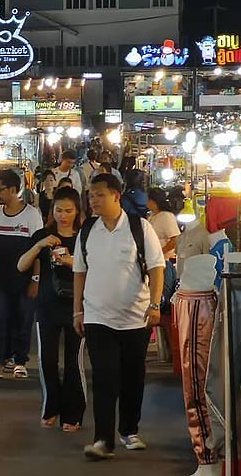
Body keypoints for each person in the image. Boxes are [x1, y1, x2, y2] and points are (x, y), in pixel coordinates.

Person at [73, 174, 166, 460]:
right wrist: (78, 309)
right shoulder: (88, 230)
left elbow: (156, 267)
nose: (93, 200)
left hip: (135, 318)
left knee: (132, 377)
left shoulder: (140, 228)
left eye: (99, 194)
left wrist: (154, 305)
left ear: (116, 195)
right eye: (91, 195)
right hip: (98, 316)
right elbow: (79, 271)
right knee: (104, 377)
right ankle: (103, 439)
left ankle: (129, 429)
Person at [18, 187, 86, 431]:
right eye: (59, 210)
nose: (63, 215)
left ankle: (73, 413)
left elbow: (96, 268)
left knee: (73, 362)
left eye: (69, 210)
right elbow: (21, 265)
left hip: (77, 306)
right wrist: (39, 246)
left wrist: (71, 261)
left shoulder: (84, 237)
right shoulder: (43, 235)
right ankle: (51, 408)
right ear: (52, 210)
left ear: (77, 211)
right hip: (47, 306)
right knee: (47, 360)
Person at [0, 169, 43, 379]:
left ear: (14, 190)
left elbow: (39, 251)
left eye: (0, 189)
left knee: (22, 319)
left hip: (24, 279)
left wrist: (35, 279)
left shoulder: (32, 215)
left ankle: (19, 360)